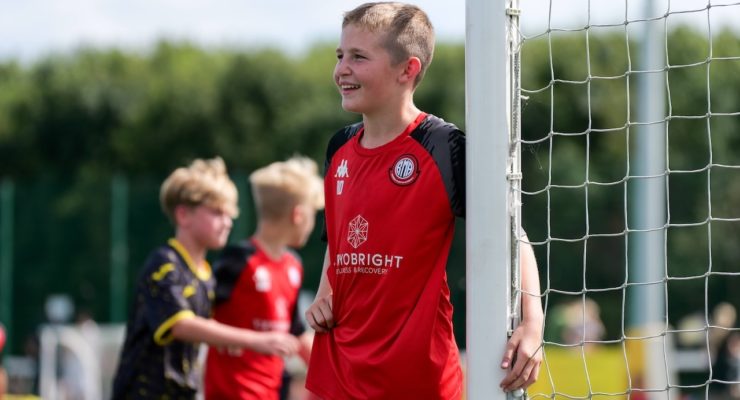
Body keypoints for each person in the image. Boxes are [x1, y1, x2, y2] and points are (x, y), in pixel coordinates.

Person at [303, 2, 544, 399]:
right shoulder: (339, 147)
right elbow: (339, 238)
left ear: (407, 69)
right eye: (340, 55)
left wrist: (532, 323)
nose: (342, 69)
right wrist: (323, 295)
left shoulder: (441, 146)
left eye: (359, 57)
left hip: (418, 379)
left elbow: (510, 233)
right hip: (338, 372)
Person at [111, 157, 300, 400]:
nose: (228, 222)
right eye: (217, 213)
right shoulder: (165, 264)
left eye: (230, 214)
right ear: (183, 215)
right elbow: (181, 324)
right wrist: (256, 340)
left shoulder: (206, 275)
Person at [204, 156, 324, 400]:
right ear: (298, 215)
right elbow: (199, 317)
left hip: (271, 392)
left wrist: (337, 373)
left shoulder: (293, 266)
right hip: (232, 392)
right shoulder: (239, 260)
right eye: (313, 215)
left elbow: (294, 332)